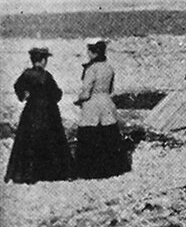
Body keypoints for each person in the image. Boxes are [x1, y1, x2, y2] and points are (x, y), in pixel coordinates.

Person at [4, 47, 74, 184]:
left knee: (27, 141)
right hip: (48, 111)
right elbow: (56, 94)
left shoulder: (26, 74)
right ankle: (49, 173)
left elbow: (18, 87)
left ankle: (26, 174)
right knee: (51, 140)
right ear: (42, 60)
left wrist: (24, 95)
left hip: (30, 111)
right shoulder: (46, 76)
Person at [73, 41, 131, 179]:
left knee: (90, 136)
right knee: (108, 134)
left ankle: (89, 171)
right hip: (106, 103)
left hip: (92, 105)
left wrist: (78, 100)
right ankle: (112, 169)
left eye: (89, 51)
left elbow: (86, 92)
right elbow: (110, 89)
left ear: (93, 52)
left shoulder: (91, 69)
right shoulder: (109, 68)